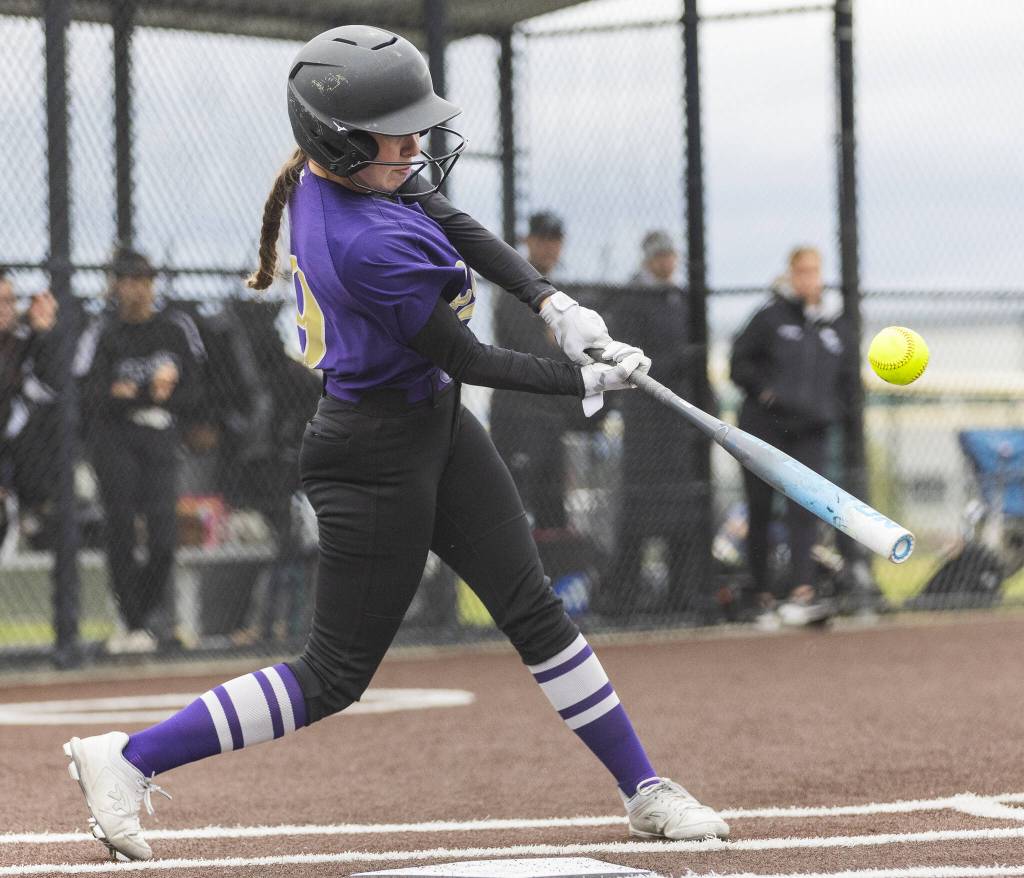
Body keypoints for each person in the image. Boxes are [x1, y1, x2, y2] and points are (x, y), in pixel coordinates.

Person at [61, 25, 729, 863]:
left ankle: (643, 789)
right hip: (371, 453)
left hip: (435, 425)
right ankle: (126, 759)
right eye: (397, 130)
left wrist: (552, 303)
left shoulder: (347, 177)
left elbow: (449, 216)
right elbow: (469, 357)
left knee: (534, 610)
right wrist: (590, 380)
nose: (417, 144)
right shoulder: (364, 244)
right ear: (339, 140)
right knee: (334, 675)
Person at [78, 247, 202, 655]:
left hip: (160, 435)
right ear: (115, 286)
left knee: (164, 533)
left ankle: (144, 616)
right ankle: (132, 624)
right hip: (115, 439)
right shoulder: (102, 330)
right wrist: (125, 396)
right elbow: (89, 392)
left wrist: (163, 393)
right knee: (120, 526)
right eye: (126, 282)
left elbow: (198, 389)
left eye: (142, 282)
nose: (134, 291)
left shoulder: (175, 327)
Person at [729, 245, 856, 627]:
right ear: (790, 274)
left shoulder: (835, 326)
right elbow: (739, 363)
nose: (808, 279)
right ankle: (760, 595)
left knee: (807, 509)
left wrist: (834, 411)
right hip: (766, 430)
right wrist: (767, 394)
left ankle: (803, 591)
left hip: (811, 432)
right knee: (761, 508)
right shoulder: (769, 318)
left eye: (814, 271)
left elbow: (848, 380)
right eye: (801, 271)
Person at [602, 231, 706, 617]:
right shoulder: (632, 300)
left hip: (679, 425)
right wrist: (677, 359)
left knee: (683, 514)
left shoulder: (681, 300)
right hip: (646, 424)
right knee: (639, 513)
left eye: (670, 254)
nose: (667, 262)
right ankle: (624, 599)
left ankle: (682, 596)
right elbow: (630, 363)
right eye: (659, 256)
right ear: (648, 259)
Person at [490, 211, 579, 531]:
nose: (550, 248)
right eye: (543, 240)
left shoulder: (558, 290)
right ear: (528, 241)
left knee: (553, 513)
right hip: (518, 414)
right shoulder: (515, 283)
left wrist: (559, 342)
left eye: (555, 241)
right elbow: (532, 348)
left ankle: (551, 580)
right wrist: (558, 343)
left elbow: (572, 348)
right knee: (514, 509)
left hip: (551, 415)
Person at [0, 270, 61, 548]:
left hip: (21, 458)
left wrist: (44, 332)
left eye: (10, 301)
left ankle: (32, 514)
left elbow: (52, 387)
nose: (5, 309)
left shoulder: (28, 342)